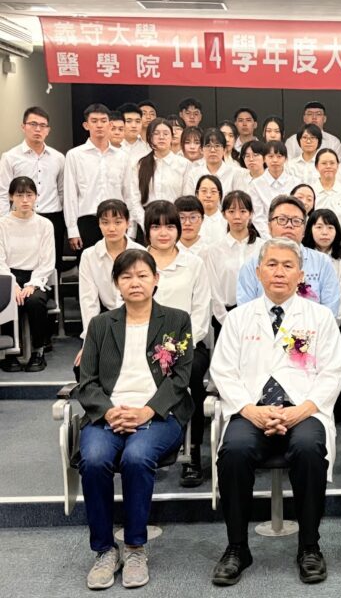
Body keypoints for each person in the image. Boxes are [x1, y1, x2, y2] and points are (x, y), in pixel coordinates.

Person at [209, 237, 341, 586]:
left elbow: (333, 372)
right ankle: (237, 547)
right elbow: (223, 371)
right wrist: (250, 410)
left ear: (300, 275)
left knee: (309, 448)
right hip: (251, 409)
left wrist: (300, 410)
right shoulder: (239, 318)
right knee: (234, 451)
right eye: (272, 264)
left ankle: (309, 546)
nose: (279, 272)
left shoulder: (320, 317)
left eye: (288, 266)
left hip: (304, 409)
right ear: (258, 272)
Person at [76, 248, 193, 590]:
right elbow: (87, 382)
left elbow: (181, 378)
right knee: (94, 459)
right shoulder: (100, 325)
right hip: (109, 414)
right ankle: (104, 550)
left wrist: (147, 410)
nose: (135, 282)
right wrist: (109, 411)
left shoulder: (176, 320)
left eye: (142, 275)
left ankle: (135, 547)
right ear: (116, 283)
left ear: (156, 279)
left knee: (137, 457)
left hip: (159, 415)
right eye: (126, 277)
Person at [144, 201, 211, 487]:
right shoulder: (136, 261)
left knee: (192, 373)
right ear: (147, 230)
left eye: (170, 226)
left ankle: (192, 452)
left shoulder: (194, 263)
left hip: (188, 345)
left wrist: (177, 348)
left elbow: (201, 312)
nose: (163, 233)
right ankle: (143, 445)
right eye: (156, 226)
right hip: (142, 345)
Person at [236, 195, 339, 316]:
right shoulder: (251, 266)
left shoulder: (322, 263)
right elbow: (245, 313)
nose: (289, 225)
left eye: (296, 221)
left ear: (304, 230)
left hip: (312, 327)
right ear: (269, 227)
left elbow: (329, 312)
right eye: (282, 219)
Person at [77, 200, 145, 368]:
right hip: (106, 321)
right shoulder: (89, 256)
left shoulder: (141, 253)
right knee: (85, 366)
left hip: (138, 320)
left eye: (118, 222)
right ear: (99, 224)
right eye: (105, 223)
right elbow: (88, 301)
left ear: (128, 223)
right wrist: (89, 341)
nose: (111, 228)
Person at [0, 107, 65, 274]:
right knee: (18, 264)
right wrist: (4, 221)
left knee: (52, 265)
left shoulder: (58, 158)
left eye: (43, 125)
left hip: (52, 216)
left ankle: (46, 291)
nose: (38, 129)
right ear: (23, 127)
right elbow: (3, 192)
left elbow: (62, 191)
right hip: (19, 218)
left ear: (48, 130)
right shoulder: (10, 157)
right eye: (33, 124)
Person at [0, 176, 55, 372]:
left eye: (29, 195)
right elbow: (0, 260)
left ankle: (38, 351)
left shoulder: (45, 224)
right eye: (19, 195)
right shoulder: (2, 224)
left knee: (34, 301)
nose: (24, 200)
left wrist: (32, 284)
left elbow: (47, 261)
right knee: (8, 299)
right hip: (8, 276)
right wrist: (12, 284)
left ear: (36, 197)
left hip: (36, 276)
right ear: (11, 197)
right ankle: (10, 352)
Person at [64, 103, 129, 251]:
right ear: (86, 125)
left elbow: (128, 192)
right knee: (88, 262)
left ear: (110, 124)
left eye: (103, 121)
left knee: (119, 262)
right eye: (94, 121)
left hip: (117, 220)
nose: (99, 125)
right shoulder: (74, 155)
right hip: (87, 220)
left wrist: (129, 227)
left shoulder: (122, 156)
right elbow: (70, 195)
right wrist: (72, 229)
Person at [205, 191, 264, 338]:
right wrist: (226, 320)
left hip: (260, 316)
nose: (237, 216)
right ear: (224, 214)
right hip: (225, 317)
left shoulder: (263, 247)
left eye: (243, 211)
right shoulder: (214, 250)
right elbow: (214, 291)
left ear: (251, 214)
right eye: (231, 211)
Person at [128, 118, 191, 235]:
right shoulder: (139, 164)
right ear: (149, 137)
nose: (161, 137)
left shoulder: (184, 164)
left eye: (166, 134)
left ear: (172, 137)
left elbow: (186, 198)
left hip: (174, 222)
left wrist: (176, 223)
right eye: (156, 133)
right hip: (146, 222)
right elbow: (134, 199)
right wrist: (147, 224)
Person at [303, 208, 341, 320]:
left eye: (330, 227)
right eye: (319, 227)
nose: (325, 232)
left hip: (333, 317)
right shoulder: (302, 255)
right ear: (309, 229)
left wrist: (332, 320)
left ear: (337, 231)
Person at [250, 140, 300, 236]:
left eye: (279, 156)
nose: (275, 160)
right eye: (271, 156)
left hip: (291, 232)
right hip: (266, 236)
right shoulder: (255, 185)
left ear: (286, 159)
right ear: (264, 159)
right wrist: (270, 238)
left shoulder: (296, 183)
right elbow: (258, 217)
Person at [183, 128, 247, 196]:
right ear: (201, 150)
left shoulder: (235, 174)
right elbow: (189, 199)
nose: (213, 150)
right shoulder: (193, 174)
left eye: (217, 146)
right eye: (208, 146)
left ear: (224, 150)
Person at [311, 148, 341, 221]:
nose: (328, 166)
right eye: (324, 163)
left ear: (338, 165)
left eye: (332, 163)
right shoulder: (310, 191)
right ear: (316, 166)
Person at [195, 174, 227, 245]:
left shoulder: (227, 222)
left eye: (213, 191)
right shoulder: (190, 222)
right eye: (204, 191)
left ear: (219, 196)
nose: (208, 195)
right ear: (197, 194)